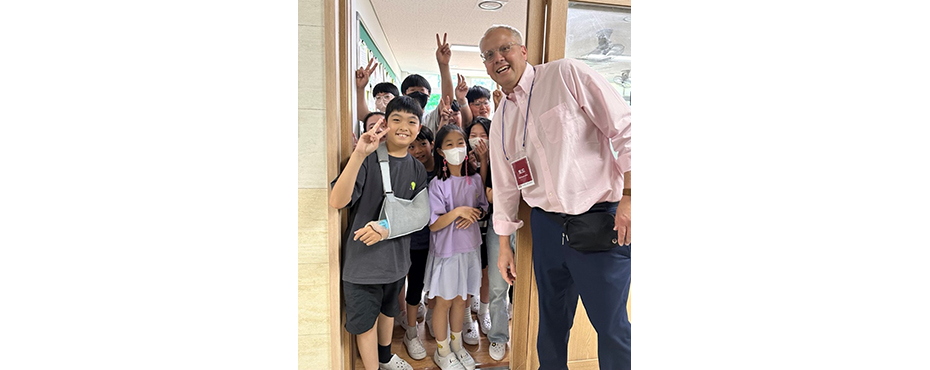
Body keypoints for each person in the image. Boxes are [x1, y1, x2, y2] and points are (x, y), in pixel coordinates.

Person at [479, 24, 632, 370]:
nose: (497, 58)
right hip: (546, 227)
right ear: (486, 66)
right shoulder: (501, 117)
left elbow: (625, 127)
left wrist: (631, 195)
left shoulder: (565, 74)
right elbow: (504, 186)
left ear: (523, 51)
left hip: (598, 220)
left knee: (612, 328)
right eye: (489, 55)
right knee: (550, 324)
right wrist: (504, 245)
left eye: (504, 48)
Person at [329, 96, 427, 370]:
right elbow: (337, 201)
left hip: (396, 264)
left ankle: (385, 359)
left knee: (388, 312)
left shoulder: (417, 168)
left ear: (419, 128)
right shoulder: (367, 159)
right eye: (396, 119)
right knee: (365, 324)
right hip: (363, 266)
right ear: (385, 123)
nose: (404, 126)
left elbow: (421, 215)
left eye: (412, 121)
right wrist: (359, 153)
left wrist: (385, 228)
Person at [423, 124, 489, 370]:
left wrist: (477, 212)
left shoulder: (474, 180)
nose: (456, 148)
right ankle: (442, 351)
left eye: (460, 143)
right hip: (447, 252)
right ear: (440, 151)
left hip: (470, 248)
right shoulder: (437, 185)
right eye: (449, 144)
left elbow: (484, 207)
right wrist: (458, 211)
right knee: (445, 301)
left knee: (462, 300)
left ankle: (457, 345)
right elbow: (434, 224)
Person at [398, 125, 437, 361]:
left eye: (423, 143)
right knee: (415, 287)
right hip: (416, 242)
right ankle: (411, 333)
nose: (418, 150)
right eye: (412, 145)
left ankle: (435, 320)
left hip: (443, 242)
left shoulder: (444, 170)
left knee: (437, 285)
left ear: (432, 144)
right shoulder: (405, 172)